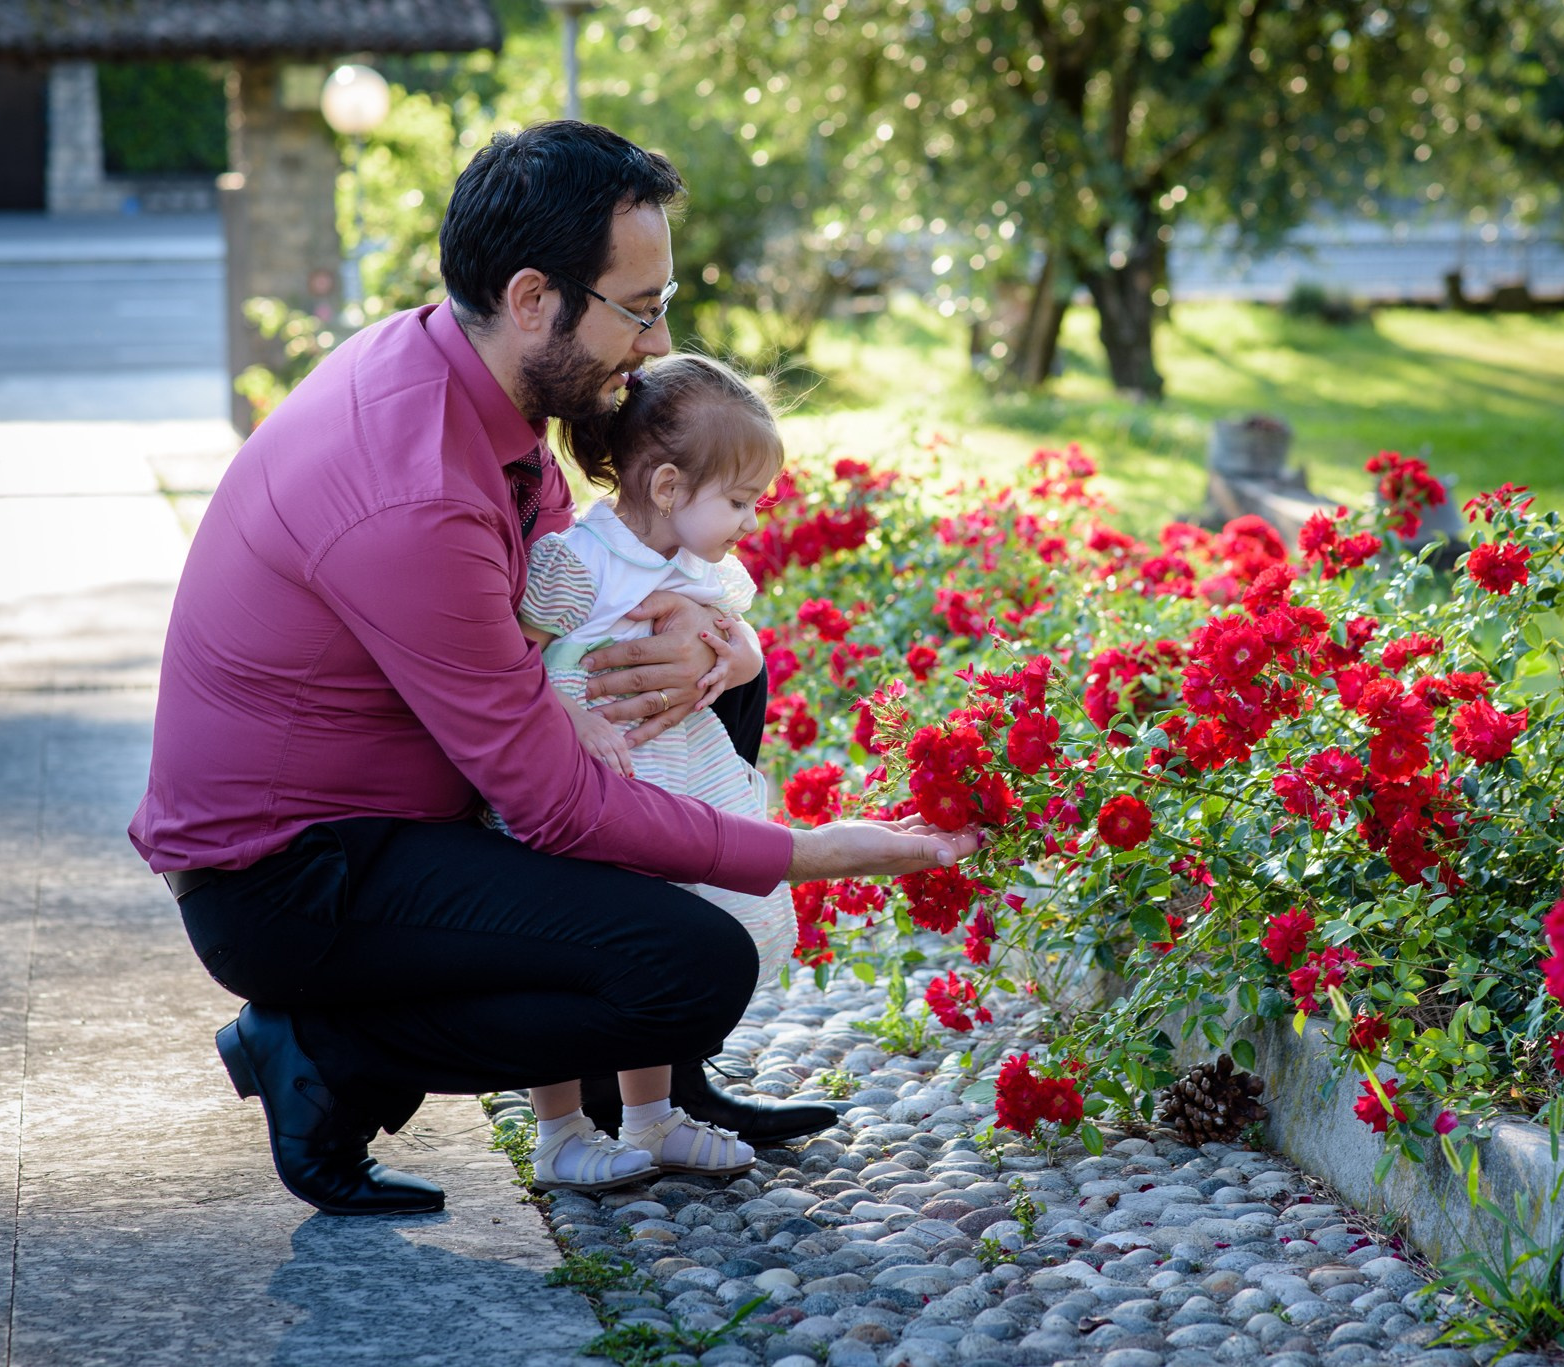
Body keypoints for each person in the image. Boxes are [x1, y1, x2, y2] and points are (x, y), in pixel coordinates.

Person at [128, 120, 979, 1217]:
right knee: (694, 967)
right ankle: (323, 1045)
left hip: (402, 803)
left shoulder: (469, 374)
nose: (656, 337)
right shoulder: (414, 491)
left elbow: (562, 582)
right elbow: (551, 805)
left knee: (710, 673)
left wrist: (721, 645)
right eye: (638, 306)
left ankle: (658, 1090)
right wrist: (806, 852)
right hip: (295, 879)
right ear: (534, 299)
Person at [512, 353, 796, 1189]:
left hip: (675, 778)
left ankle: (653, 1115)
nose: (751, 519)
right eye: (740, 501)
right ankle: (558, 1128)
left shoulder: (698, 566)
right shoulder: (580, 562)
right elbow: (506, 662)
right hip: (584, 784)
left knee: (666, 933)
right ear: (668, 486)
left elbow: (745, 641)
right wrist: (575, 716)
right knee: (562, 951)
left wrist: (736, 658)